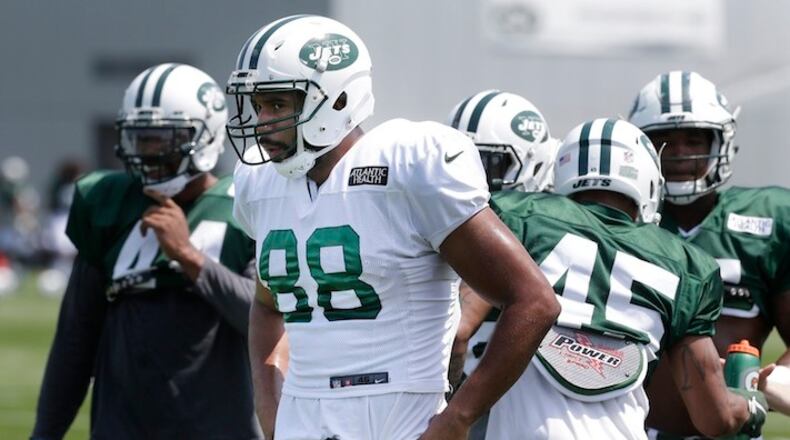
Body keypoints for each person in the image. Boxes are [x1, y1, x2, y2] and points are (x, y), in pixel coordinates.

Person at [227, 14, 560, 440]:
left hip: (400, 419)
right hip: (303, 420)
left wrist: (459, 418)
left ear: (338, 100)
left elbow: (533, 301)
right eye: (257, 106)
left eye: (277, 104)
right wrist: (269, 402)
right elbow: (269, 304)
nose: (261, 123)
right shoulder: (261, 185)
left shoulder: (406, 164)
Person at [455, 118, 767, 439]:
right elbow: (715, 419)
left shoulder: (519, 217)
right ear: (649, 182)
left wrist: (449, 412)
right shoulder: (687, 265)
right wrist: (749, 405)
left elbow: (456, 333)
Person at [31, 63, 262, 439]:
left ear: (206, 137)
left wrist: (190, 257)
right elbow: (75, 340)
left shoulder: (245, 206)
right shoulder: (109, 205)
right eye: (141, 139)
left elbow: (264, 321)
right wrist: (44, 434)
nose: (149, 154)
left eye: (163, 140)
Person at [628, 70, 790, 437]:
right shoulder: (621, 224)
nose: (681, 153)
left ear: (722, 141)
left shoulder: (771, 220)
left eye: (694, 138)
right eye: (666, 141)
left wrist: (776, 379)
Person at [446, 89, 559, 440]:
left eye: (488, 164)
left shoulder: (528, 222)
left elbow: (457, 333)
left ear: (533, 163)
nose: (473, 179)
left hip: (493, 403)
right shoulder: (565, 223)